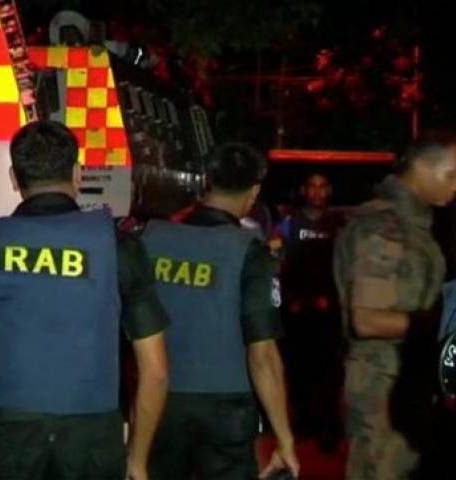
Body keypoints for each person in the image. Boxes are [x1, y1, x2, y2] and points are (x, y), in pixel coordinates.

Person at [0, 120, 169, 480]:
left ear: (15, 179)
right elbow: (155, 370)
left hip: (3, 436)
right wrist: (138, 460)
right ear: (78, 174)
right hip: (91, 440)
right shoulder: (118, 246)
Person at [143, 142, 299, 480]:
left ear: (207, 181)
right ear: (254, 192)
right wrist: (284, 439)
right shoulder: (251, 253)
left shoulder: (151, 238)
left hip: (159, 406)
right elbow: (263, 355)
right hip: (225, 411)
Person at [334, 133, 456, 479]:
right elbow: (367, 320)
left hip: (405, 381)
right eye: (451, 175)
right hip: (382, 390)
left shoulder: (413, 225)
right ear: (421, 167)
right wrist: (443, 327)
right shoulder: (384, 228)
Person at [273, 172, 345, 451]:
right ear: (304, 190)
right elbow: (276, 254)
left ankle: (328, 428)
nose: (317, 192)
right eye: (311, 186)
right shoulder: (290, 223)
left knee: (330, 372)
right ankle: (303, 425)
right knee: (299, 370)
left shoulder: (340, 223)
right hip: (298, 310)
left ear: (330, 190)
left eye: (322, 186)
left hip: (330, 311)